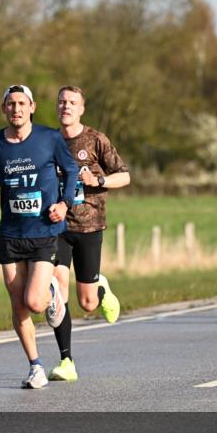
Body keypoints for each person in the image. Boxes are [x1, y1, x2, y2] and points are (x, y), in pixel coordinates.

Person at [0, 85, 78, 389]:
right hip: (11, 234)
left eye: (21, 104)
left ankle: (52, 292)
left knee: (35, 302)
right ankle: (35, 366)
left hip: (43, 231)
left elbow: (71, 169)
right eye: (10, 104)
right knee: (18, 305)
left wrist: (64, 204)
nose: (16, 109)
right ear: (4, 109)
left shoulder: (49, 138)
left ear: (32, 107)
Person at [46, 86, 130, 382]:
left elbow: (125, 175)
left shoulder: (95, 140)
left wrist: (98, 179)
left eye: (72, 102)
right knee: (55, 288)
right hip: (57, 226)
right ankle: (66, 360)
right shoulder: (47, 140)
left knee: (88, 303)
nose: (66, 106)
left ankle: (101, 288)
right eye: (62, 102)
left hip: (90, 227)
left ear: (82, 109)